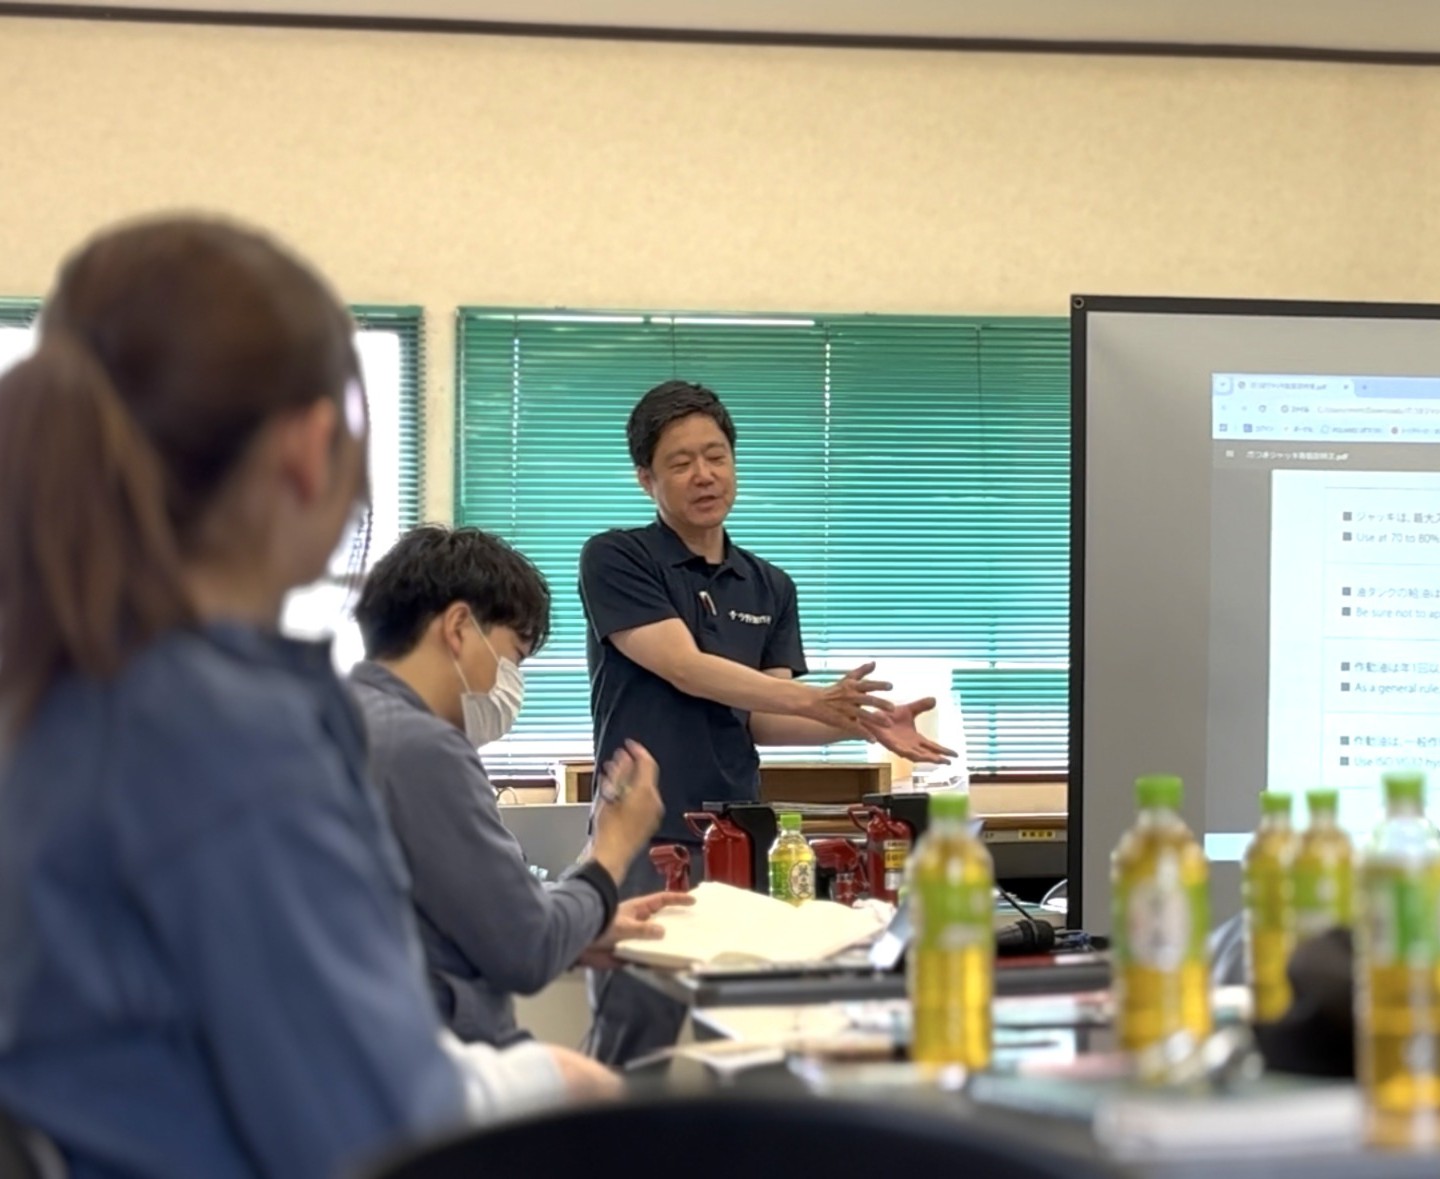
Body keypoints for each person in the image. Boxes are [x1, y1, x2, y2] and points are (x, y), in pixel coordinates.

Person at [0, 217, 613, 1179]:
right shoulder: (225, 735)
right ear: (310, 446)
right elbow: (378, 1125)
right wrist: (557, 1081)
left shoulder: (60, 683)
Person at [578, 379, 955, 1065]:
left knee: (754, 1036)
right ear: (646, 479)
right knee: (635, 1040)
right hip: (641, 837)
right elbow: (684, 666)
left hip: (740, 839)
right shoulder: (618, 558)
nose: (704, 474)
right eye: (680, 462)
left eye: (716, 455)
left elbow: (766, 716)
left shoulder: (770, 585)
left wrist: (858, 723)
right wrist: (815, 700)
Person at [350, 524, 692, 1046]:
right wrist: (614, 847)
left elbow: (462, 914)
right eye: (512, 657)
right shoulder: (423, 748)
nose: (508, 682)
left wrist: (579, 926)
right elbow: (527, 949)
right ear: (458, 627)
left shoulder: (344, 720)